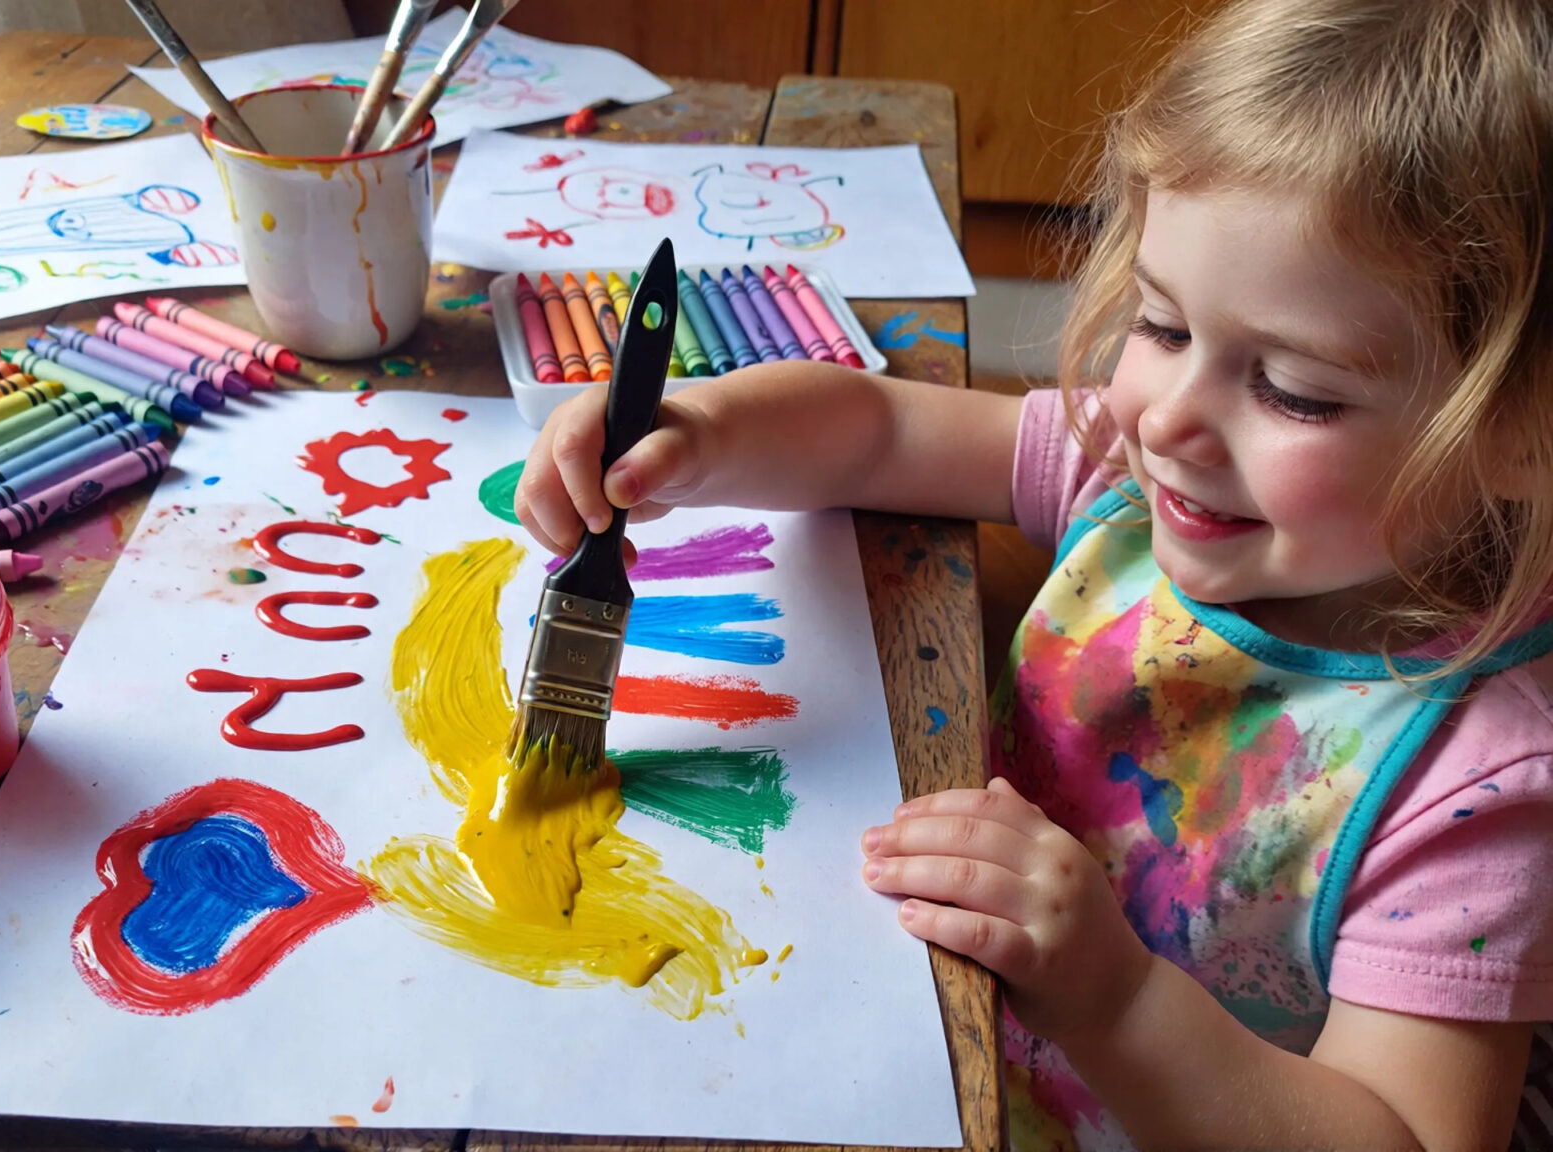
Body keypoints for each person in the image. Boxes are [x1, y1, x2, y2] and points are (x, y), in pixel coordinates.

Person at [515, 0, 1553, 1145]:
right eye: (1160, 326)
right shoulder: (1128, 481)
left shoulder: (1480, 789)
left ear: (1518, 431)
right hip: (913, 1047)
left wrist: (1114, 994)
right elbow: (876, 430)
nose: (1166, 419)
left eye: (1292, 390)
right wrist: (700, 433)